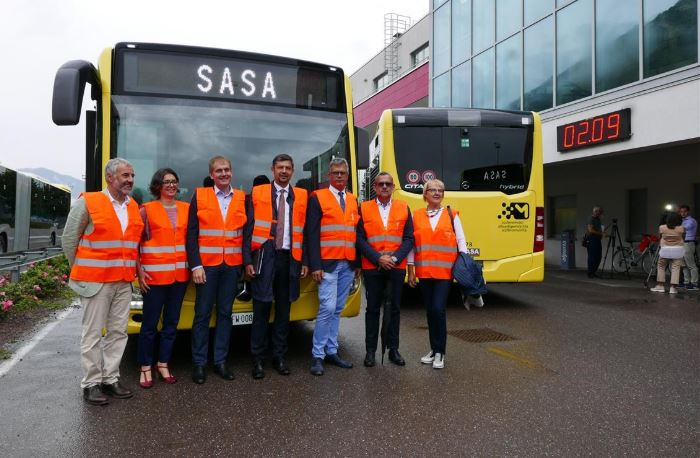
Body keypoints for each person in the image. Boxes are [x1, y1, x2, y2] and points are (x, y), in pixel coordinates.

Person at [62, 158, 144, 405]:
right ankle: (91, 384)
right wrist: (81, 270)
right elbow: (69, 238)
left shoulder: (132, 206)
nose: (130, 180)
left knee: (118, 332)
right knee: (93, 334)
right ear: (110, 178)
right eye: (125, 176)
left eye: (132, 175)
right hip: (96, 281)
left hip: (122, 281)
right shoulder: (89, 201)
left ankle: (110, 379)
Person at [243, 154, 308, 379]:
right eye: (280, 167)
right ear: (272, 169)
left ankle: (279, 357)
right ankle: (257, 360)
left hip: (289, 258)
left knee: (283, 312)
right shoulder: (257, 194)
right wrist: (247, 261)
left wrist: (305, 261)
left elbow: (305, 230)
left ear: (293, 171)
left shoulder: (301, 195)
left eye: (288, 168)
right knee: (260, 310)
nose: (283, 171)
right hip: (264, 256)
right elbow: (247, 229)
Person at [186, 156, 246, 384]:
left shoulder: (241, 197)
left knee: (225, 314)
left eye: (227, 170)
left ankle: (220, 362)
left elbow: (245, 233)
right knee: (201, 316)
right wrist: (196, 264)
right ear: (211, 174)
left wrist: (243, 263)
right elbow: (191, 234)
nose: (224, 174)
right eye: (219, 171)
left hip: (231, 266)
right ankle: (199, 364)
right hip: (207, 267)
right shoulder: (200, 196)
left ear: (232, 172)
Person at [135, 168, 189, 389]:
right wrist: (139, 271)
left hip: (179, 277)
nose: (171, 185)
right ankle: (145, 367)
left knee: (171, 324)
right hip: (154, 277)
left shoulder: (187, 209)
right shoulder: (145, 210)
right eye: (166, 181)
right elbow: (134, 244)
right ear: (157, 185)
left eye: (174, 181)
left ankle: (163, 363)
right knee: (149, 325)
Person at [407, 179, 468, 370]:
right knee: (429, 311)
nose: (436, 192)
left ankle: (440, 351)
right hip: (424, 272)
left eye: (440, 190)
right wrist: (411, 270)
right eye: (432, 190)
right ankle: (433, 349)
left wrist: (465, 266)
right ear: (425, 194)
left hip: (444, 272)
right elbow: (412, 245)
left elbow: (461, 241)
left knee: (438, 309)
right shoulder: (416, 216)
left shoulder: (452, 214)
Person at [306, 158, 358, 376]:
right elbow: (311, 234)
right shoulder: (317, 198)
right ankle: (318, 356)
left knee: (337, 309)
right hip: (327, 264)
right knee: (326, 309)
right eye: (335, 173)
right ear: (329, 175)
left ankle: (332, 350)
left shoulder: (354, 199)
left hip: (348, 263)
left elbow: (357, 232)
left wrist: (358, 264)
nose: (339, 176)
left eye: (342, 173)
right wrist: (314, 265)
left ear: (347, 176)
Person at [356, 172, 413, 367]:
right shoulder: (364, 208)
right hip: (373, 267)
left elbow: (409, 239)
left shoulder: (404, 208)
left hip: (396, 267)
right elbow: (359, 239)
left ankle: (393, 349)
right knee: (372, 309)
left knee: (395, 309)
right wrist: (378, 258)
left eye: (388, 184)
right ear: (374, 187)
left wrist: (394, 258)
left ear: (393, 186)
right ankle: (370, 351)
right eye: (381, 184)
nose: (385, 187)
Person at [650, 212, 685, 294]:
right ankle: (673, 288)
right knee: (676, 268)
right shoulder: (681, 228)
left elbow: (660, 237)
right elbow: (683, 238)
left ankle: (660, 286)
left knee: (661, 266)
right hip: (678, 250)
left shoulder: (662, 227)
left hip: (665, 249)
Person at [679, 205, 698, 290]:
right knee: (684, 265)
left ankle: (694, 284)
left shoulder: (691, 221)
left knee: (691, 265)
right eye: (681, 211)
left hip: (688, 243)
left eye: (684, 211)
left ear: (688, 212)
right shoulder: (682, 221)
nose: (682, 213)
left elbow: (683, 229)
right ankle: (687, 282)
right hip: (682, 243)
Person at [586, 206, 605, 278]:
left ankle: (593, 271)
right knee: (592, 256)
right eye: (600, 212)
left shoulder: (598, 219)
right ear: (596, 211)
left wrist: (603, 232)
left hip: (597, 239)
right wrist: (601, 233)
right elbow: (590, 230)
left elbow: (598, 229)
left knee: (598, 256)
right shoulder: (591, 218)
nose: (601, 213)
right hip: (591, 239)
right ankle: (590, 273)